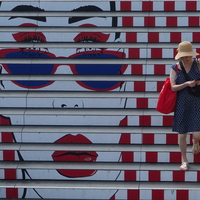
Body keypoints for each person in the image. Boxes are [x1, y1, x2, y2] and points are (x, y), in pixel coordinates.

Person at [170, 41, 200, 171]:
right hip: (182, 103)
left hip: (197, 101)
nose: (186, 58)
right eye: (183, 56)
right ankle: (184, 159)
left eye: (188, 56)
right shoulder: (175, 67)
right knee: (182, 134)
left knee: (197, 133)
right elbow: (173, 87)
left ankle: (195, 141)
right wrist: (187, 84)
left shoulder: (198, 64)